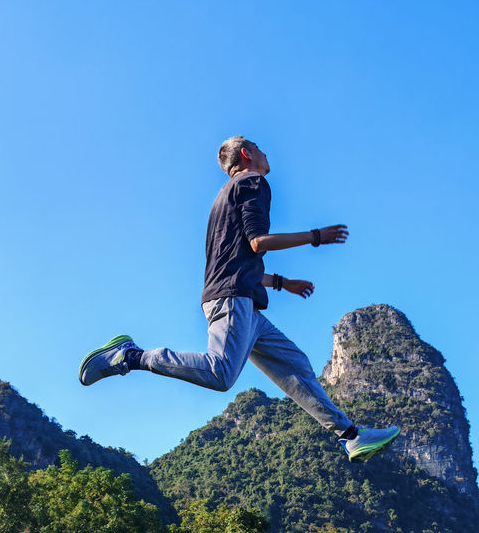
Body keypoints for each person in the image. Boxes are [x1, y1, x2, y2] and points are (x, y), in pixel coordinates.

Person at [79, 137, 399, 462]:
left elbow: (238, 260)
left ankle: (351, 436)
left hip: (243, 304)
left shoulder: (225, 197)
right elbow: (258, 242)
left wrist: (281, 283)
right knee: (220, 373)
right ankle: (132, 356)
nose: (266, 153)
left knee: (296, 366)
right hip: (232, 301)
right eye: (260, 148)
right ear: (246, 154)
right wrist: (316, 237)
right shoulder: (253, 182)